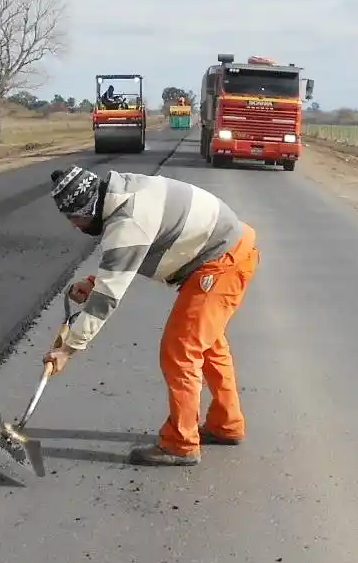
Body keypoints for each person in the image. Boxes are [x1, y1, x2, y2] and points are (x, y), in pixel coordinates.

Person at [45, 164, 261, 466]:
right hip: (231, 250)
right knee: (209, 345)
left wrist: (68, 348)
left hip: (220, 262)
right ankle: (226, 424)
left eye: (75, 218)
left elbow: (109, 296)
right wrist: (95, 283)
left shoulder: (128, 223)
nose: (74, 226)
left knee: (181, 350)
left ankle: (181, 443)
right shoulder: (124, 192)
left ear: (90, 206)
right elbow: (132, 258)